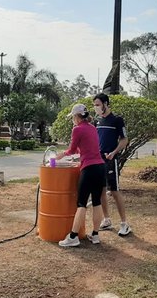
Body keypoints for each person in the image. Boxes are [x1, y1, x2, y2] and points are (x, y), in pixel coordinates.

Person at [56, 104, 106, 247]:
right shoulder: (92, 128)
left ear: (77, 116)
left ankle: (73, 237)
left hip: (89, 169)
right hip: (100, 167)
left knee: (81, 203)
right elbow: (87, 147)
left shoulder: (77, 129)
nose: (73, 119)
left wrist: (61, 155)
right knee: (97, 201)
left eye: (73, 117)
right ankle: (95, 235)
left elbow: (71, 150)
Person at [92, 93, 131, 236]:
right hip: (98, 160)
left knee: (114, 191)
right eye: (94, 105)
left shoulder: (117, 120)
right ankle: (107, 220)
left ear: (106, 104)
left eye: (98, 104)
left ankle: (124, 224)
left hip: (111, 159)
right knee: (101, 190)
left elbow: (124, 140)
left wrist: (114, 152)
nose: (96, 107)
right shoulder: (97, 121)